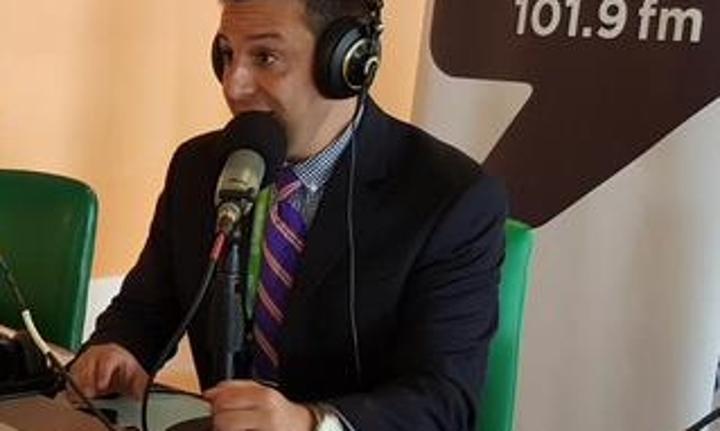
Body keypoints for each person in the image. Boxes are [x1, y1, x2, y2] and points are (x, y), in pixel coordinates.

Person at [69, 0, 507, 430]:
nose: (234, 85)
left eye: (265, 57)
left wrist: (310, 422)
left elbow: (443, 402)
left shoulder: (451, 198)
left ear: (348, 62)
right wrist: (118, 348)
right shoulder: (198, 166)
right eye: (227, 54)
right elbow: (144, 308)